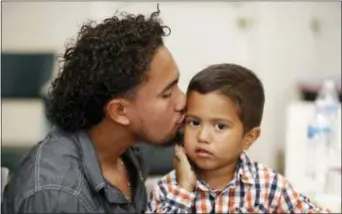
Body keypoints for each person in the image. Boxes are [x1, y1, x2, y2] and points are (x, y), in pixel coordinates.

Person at [1, 6, 186, 214]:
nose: (182, 101)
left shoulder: (124, 154)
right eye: (167, 94)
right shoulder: (59, 197)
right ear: (119, 111)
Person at [148, 63, 331, 213]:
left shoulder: (269, 187)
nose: (203, 136)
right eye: (194, 123)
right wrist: (185, 190)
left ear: (249, 138)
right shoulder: (168, 189)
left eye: (220, 126)